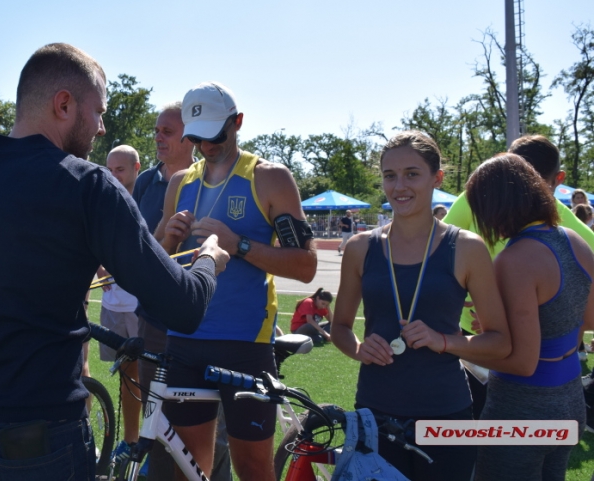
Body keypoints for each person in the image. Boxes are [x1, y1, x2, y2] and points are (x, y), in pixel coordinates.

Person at [0, 43, 228, 481]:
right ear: (64, 104)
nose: (101, 128)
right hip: (40, 438)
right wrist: (210, 261)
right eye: (98, 112)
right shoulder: (88, 185)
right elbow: (182, 304)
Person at [155, 81, 317, 481]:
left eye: (216, 135)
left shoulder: (270, 178)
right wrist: (169, 239)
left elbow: (306, 265)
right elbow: (157, 255)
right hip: (186, 339)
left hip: (245, 344)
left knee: (253, 469)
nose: (207, 146)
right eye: (197, 138)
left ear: (238, 122)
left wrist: (239, 244)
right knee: (190, 468)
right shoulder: (180, 183)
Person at [331, 131, 510, 481]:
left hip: (445, 416)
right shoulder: (360, 248)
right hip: (376, 414)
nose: (399, 186)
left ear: (436, 178)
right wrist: (358, 349)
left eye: (412, 173)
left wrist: (444, 341)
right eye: (389, 175)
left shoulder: (467, 248)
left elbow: (500, 341)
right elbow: (339, 328)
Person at [465, 154, 594, 481]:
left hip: (521, 411)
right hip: (570, 401)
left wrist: (451, 344)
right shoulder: (574, 239)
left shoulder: (514, 258)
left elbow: (523, 363)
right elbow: (586, 319)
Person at [132, 102, 232, 481]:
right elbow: (147, 246)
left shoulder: (222, 179)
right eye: (156, 130)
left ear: (190, 138)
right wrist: (168, 236)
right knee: (155, 420)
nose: (158, 136)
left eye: (167, 131)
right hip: (155, 321)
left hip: (206, 324)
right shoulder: (147, 182)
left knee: (210, 437)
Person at [99, 145, 143, 453]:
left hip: (140, 309)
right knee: (126, 379)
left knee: (150, 379)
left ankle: (151, 446)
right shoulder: (101, 200)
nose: (113, 175)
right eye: (109, 169)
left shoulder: (147, 202)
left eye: (120, 169)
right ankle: (130, 442)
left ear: (136, 168)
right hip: (111, 307)